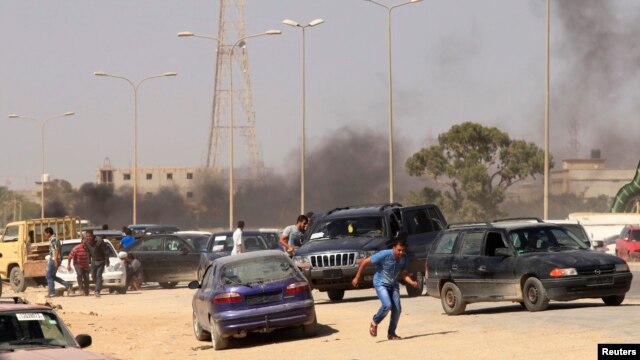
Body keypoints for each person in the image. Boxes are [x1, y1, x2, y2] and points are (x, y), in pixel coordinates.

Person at [351, 231, 418, 340]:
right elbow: (365, 262)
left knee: (397, 309)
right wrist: (357, 277)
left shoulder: (404, 258)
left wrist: (412, 282)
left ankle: (391, 333)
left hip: (393, 284)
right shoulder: (384, 254)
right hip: (380, 283)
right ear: (394, 248)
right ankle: (374, 322)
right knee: (387, 305)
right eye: (399, 250)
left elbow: (403, 273)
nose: (401, 253)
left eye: (403, 250)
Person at [44, 227, 71, 298]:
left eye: (45, 233)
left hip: (54, 259)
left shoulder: (54, 239)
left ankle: (52, 292)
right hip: (53, 259)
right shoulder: (52, 239)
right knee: (52, 276)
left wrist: (55, 260)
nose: (45, 235)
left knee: (48, 276)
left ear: (48, 233)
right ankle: (67, 285)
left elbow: (57, 250)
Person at [83, 229, 110, 297]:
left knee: (98, 275)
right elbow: (88, 251)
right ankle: (99, 284)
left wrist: (107, 260)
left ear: (93, 236)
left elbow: (106, 251)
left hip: (101, 260)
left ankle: (97, 291)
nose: (88, 238)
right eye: (87, 236)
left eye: (90, 236)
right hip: (94, 261)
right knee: (93, 276)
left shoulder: (99, 241)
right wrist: (88, 260)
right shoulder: (86, 242)